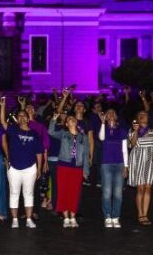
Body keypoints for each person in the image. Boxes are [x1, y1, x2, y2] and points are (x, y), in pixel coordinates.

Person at [48, 90, 91, 228]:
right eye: (69, 120)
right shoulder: (63, 134)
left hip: (77, 167)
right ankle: (65, 217)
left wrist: (85, 170)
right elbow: (51, 132)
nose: (71, 120)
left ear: (76, 123)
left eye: (73, 119)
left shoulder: (82, 137)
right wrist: (54, 119)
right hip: (64, 166)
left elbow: (85, 155)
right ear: (66, 124)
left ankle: (73, 217)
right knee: (63, 191)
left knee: (74, 193)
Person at [1, 97, 43, 228]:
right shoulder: (13, 130)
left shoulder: (35, 134)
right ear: (17, 119)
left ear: (28, 118)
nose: (22, 118)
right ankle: (15, 219)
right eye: (19, 116)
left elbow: (39, 153)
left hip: (30, 167)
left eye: (24, 115)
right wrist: (2, 106)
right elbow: (2, 122)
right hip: (14, 167)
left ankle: (29, 219)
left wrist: (39, 169)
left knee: (29, 193)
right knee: (14, 193)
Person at [128, 110, 153, 225]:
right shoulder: (133, 130)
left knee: (148, 187)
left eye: (145, 115)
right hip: (137, 159)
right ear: (137, 118)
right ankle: (140, 214)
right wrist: (135, 131)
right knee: (140, 188)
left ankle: (145, 214)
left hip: (150, 159)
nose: (143, 117)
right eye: (140, 115)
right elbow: (132, 145)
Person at [98, 107, 127, 228]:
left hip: (119, 163)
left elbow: (125, 150)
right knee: (106, 192)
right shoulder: (103, 128)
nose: (110, 114)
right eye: (107, 113)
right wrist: (103, 123)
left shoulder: (121, 130)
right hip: (106, 164)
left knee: (118, 193)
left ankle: (116, 217)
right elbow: (101, 137)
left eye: (112, 113)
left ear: (116, 116)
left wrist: (126, 166)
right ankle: (107, 216)